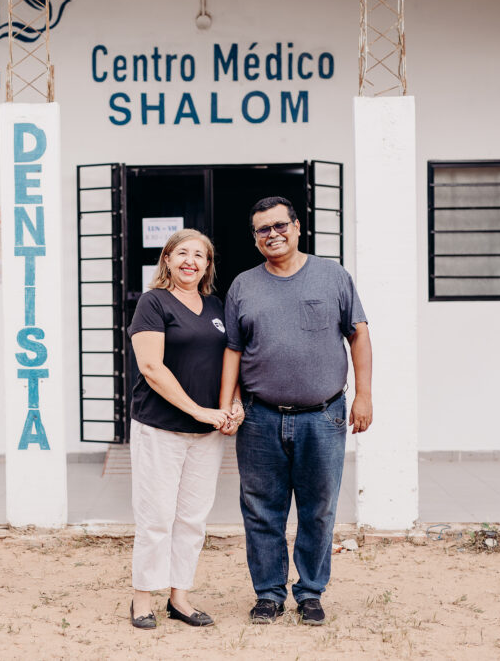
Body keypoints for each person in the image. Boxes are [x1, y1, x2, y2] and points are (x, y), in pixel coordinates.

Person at [218, 196, 373, 626]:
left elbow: (359, 337)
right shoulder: (243, 286)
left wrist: (364, 396)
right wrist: (226, 403)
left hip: (323, 416)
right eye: (263, 230)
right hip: (260, 416)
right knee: (261, 509)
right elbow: (233, 349)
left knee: (318, 509)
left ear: (298, 226)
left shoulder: (333, 276)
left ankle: (310, 593)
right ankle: (268, 593)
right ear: (255, 238)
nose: (273, 234)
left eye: (280, 225)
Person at [126, 228, 242, 630]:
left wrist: (233, 405)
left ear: (208, 265)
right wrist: (199, 411)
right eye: (183, 253)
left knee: (192, 518)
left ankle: (180, 598)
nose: (191, 261)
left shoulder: (216, 305)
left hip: (207, 434)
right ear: (168, 260)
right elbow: (151, 367)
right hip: (160, 428)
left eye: (200, 255)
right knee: (156, 517)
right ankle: (143, 600)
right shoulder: (153, 302)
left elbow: (233, 358)